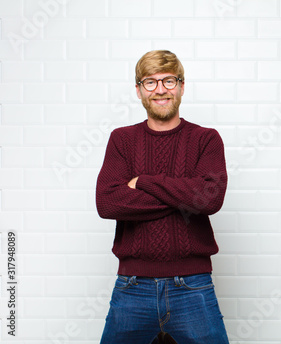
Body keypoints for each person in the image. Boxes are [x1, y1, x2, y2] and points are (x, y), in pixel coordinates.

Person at [96, 50, 230, 344]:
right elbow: (107, 203)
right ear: (139, 90)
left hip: (193, 285)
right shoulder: (122, 139)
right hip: (133, 286)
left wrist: (143, 181)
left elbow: (209, 200)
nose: (160, 90)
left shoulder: (206, 139)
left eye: (169, 81)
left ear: (182, 86)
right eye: (150, 82)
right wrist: (184, 194)